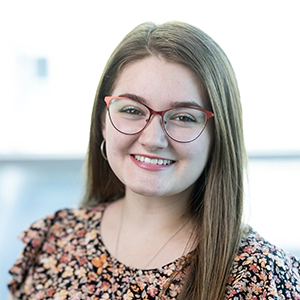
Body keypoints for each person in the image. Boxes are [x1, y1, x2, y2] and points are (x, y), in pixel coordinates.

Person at [8, 21, 300, 300]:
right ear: (103, 122)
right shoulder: (54, 239)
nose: (152, 139)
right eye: (132, 110)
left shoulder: (260, 274)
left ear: (218, 136)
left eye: (183, 117)